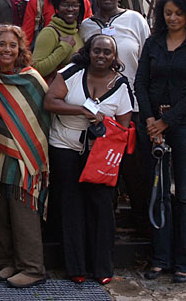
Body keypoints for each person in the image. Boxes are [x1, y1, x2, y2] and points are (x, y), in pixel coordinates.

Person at [44, 35, 133, 284]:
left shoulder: (121, 84)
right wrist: (82, 111)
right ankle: (76, 268)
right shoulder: (71, 72)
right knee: (71, 206)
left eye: (107, 52)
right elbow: (50, 101)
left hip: (101, 156)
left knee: (102, 209)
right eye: (97, 51)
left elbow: (124, 124)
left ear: (114, 57)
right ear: (89, 52)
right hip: (66, 148)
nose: (101, 56)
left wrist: (103, 123)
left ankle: (102, 268)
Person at [135, 0, 186, 285]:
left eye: (178, 13)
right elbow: (140, 83)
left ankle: (184, 263)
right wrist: (151, 120)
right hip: (154, 126)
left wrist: (166, 121)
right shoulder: (152, 43)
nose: (173, 18)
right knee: (160, 193)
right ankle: (161, 259)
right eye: (168, 13)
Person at [81, 0, 151, 233]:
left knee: (135, 168)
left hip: (132, 105)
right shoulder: (86, 25)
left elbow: (147, 58)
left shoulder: (135, 19)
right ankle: (105, 223)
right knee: (104, 165)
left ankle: (141, 221)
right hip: (100, 107)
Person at [0, 24, 50, 288]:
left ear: (21, 48)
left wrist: (29, 149)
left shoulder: (32, 78)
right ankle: (8, 262)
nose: (7, 50)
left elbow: (42, 119)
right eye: (2, 44)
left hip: (27, 157)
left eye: (13, 45)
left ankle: (32, 268)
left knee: (23, 212)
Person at [32, 0, 84, 80]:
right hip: (56, 91)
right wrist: (64, 48)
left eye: (75, 5)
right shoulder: (49, 33)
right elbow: (36, 69)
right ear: (57, 6)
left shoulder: (79, 31)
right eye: (65, 5)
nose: (70, 9)